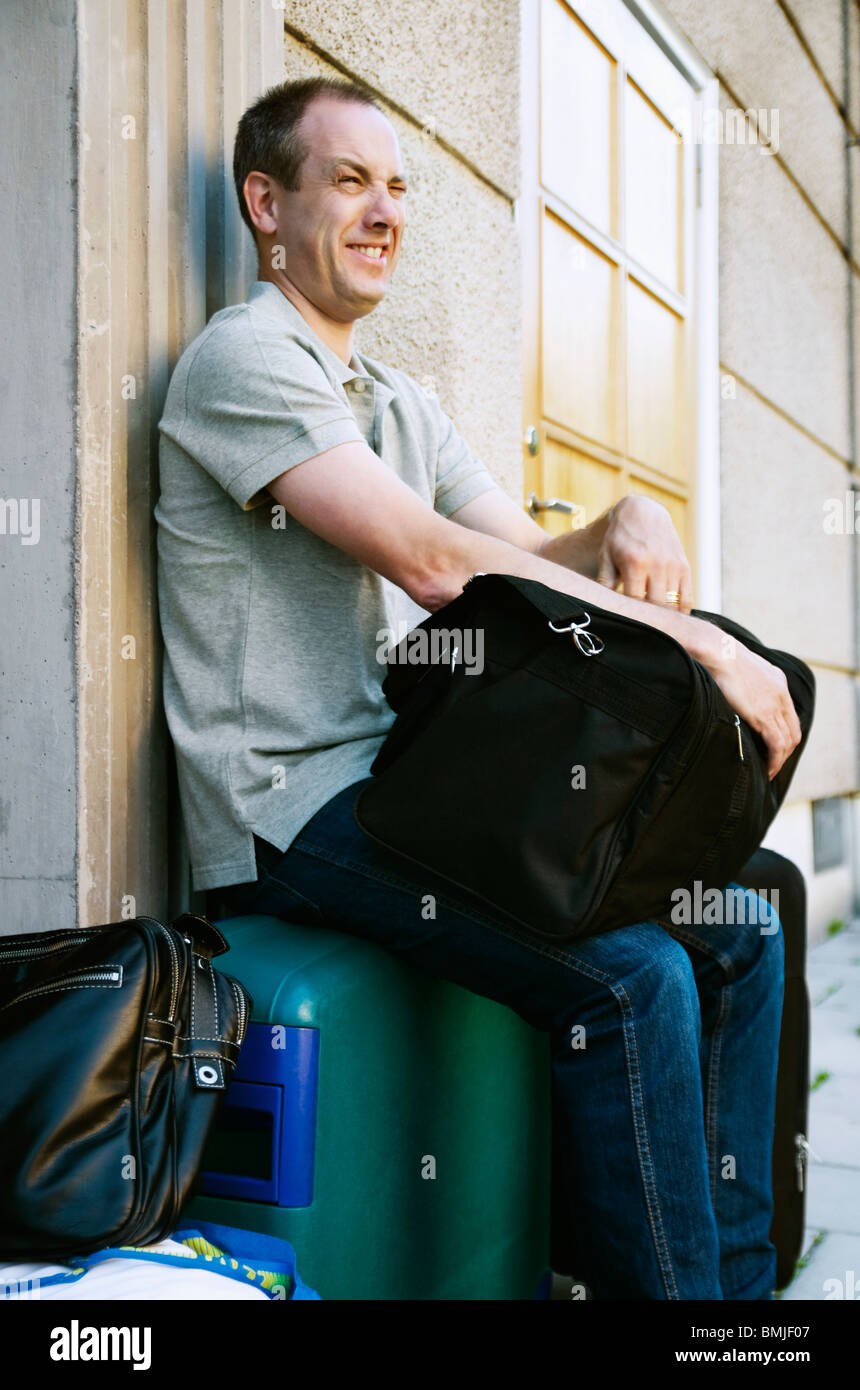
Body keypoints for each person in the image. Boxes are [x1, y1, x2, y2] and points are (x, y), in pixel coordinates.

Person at [155, 76, 802, 1300]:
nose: (383, 209)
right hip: (286, 815)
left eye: (395, 184)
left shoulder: (394, 399)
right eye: (347, 180)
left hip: (397, 790)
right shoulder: (243, 359)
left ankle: (735, 1295)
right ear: (266, 205)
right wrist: (714, 649)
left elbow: (521, 562)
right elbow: (434, 562)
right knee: (633, 973)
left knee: (741, 918)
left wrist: (621, 515)